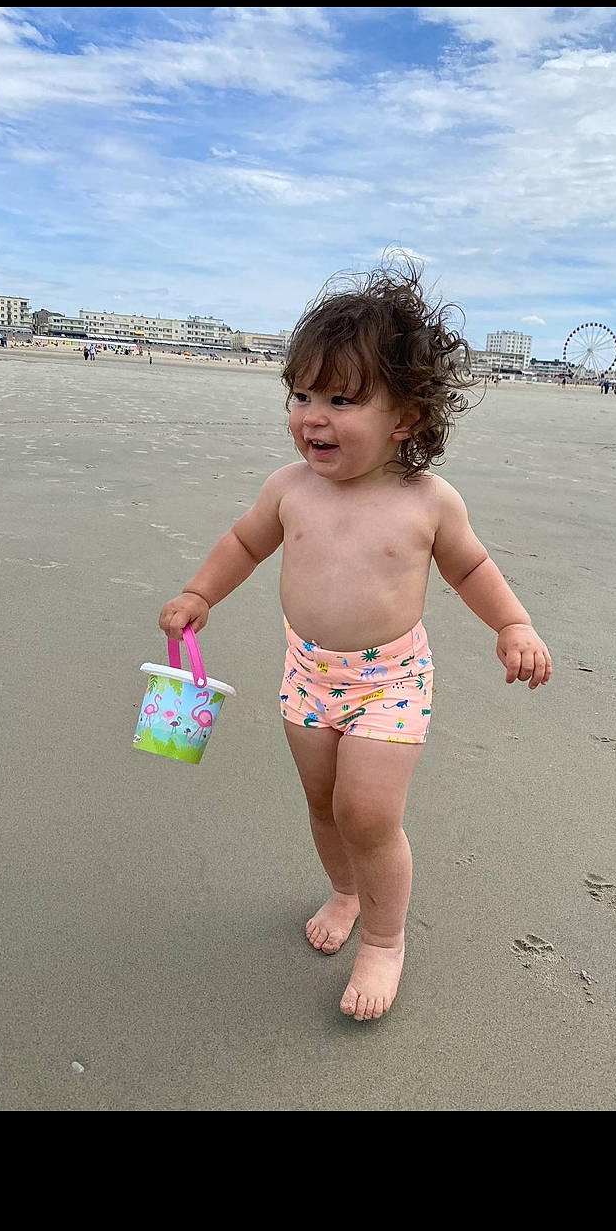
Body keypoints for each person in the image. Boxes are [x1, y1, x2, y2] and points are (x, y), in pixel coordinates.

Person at [158, 262, 552, 1022]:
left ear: (405, 416)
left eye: (341, 399)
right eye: (300, 394)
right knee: (321, 803)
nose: (312, 416)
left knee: (368, 812)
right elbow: (245, 542)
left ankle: (384, 936)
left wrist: (513, 625)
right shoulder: (288, 488)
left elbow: (470, 567)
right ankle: (343, 889)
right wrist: (200, 591)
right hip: (307, 672)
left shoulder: (426, 501)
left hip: (390, 680)